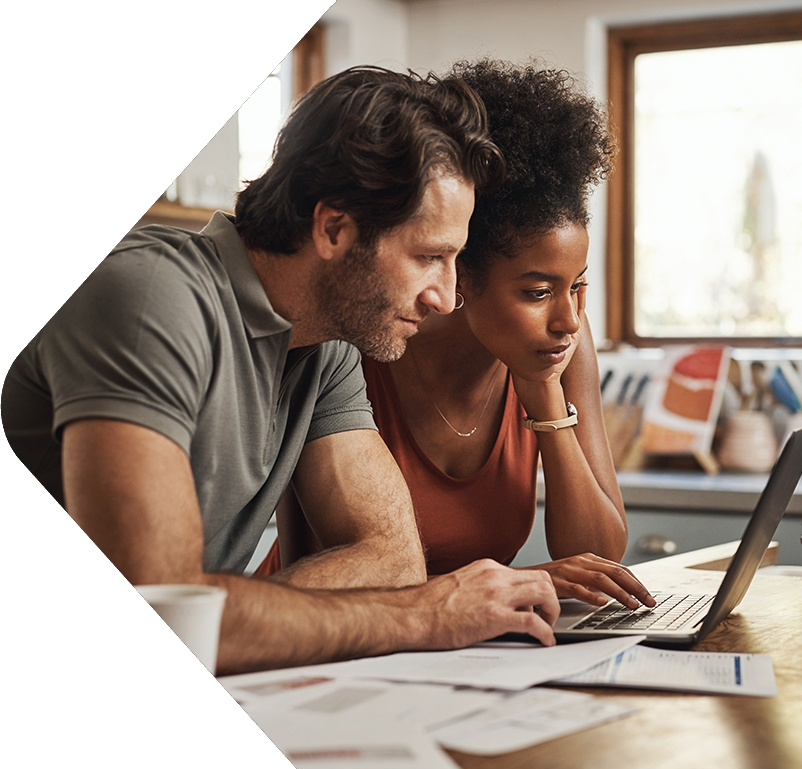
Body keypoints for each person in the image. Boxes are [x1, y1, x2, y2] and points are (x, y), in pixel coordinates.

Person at [1, 66, 561, 675]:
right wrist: (423, 615)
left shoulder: (327, 346)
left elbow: (392, 559)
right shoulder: (149, 298)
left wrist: (236, 618)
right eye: (429, 257)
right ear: (333, 228)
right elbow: (163, 615)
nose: (446, 297)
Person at [268, 60, 655, 612]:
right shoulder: (361, 340)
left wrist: (544, 394)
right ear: (461, 273)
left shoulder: (560, 346)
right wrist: (523, 580)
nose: (569, 319)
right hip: (322, 631)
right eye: (537, 292)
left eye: (579, 287)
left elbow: (598, 557)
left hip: (465, 641)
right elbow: (330, 562)